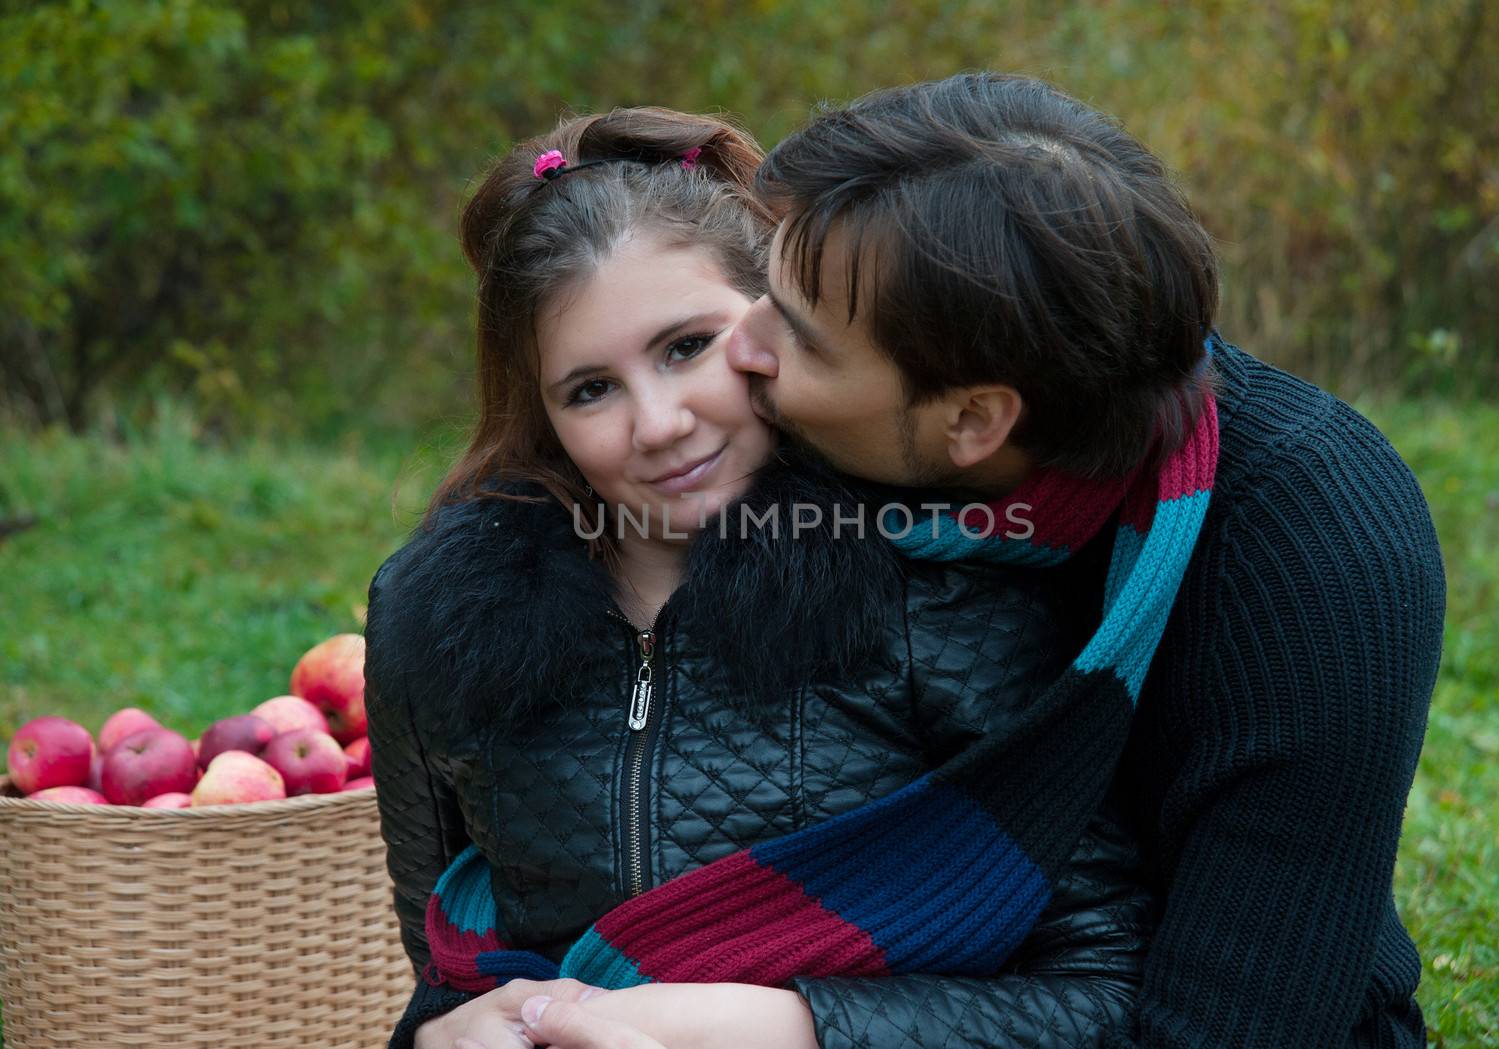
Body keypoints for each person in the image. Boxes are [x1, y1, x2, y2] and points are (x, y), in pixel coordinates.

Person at [364, 106, 1157, 1049]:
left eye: (685, 346)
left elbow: (1109, 992)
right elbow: (439, 971)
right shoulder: (438, 618)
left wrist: (792, 1026)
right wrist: (440, 1036)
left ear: (771, 326)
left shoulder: (936, 590)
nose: (657, 423)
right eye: (590, 388)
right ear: (542, 414)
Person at [723, 72, 1449, 1048]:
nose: (738, 344)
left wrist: (803, 1029)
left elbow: (1233, 1027)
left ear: (974, 419)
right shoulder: (793, 439)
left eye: (796, 339)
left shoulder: (1309, 544)